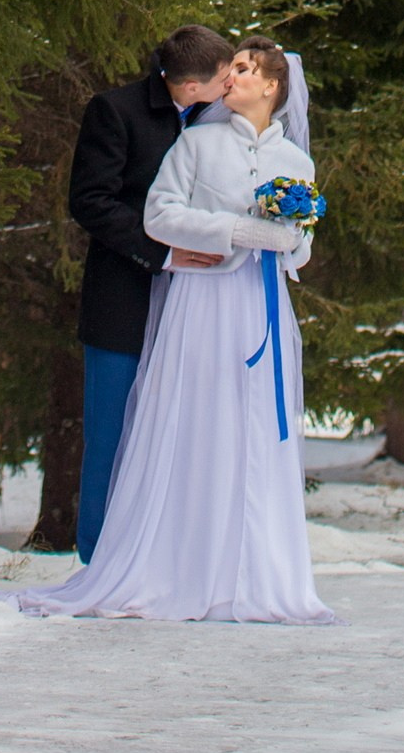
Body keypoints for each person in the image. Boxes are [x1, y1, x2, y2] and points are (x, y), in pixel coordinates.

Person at [20, 40, 335, 625]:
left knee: (250, 430)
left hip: (255, 308)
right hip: (182, 301)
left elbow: (303, 242)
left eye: (244, 69)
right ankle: (136, 561)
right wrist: (235, 232)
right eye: (228, 68)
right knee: (163, 427)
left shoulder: (297, 163)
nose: (231, 77)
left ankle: (245, 567)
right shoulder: (179, 135)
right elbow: (145, 212)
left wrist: (288, 242)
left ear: (272, 87)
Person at [65, 23, 234, 562]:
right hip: (125, 298)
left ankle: (163, 560)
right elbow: (91, 201)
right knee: (111, 437)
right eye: (224, 77)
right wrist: (162, 253)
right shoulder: (115, 111)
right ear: (189, 86)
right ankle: (97, 559)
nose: (231, 85)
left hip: (197, 308)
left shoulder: (222, 120)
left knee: (180, 439)